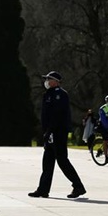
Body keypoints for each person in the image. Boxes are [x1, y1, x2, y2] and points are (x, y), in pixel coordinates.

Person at [29, 71, 87, 199]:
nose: (47, 81)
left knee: (62, 160)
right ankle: (43, 189)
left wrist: (50, 130)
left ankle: (78, 186)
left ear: (55, 81)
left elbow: (57, 115)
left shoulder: (60, 95)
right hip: (50, 132)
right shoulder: (48, 94)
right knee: (47, 161)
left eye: (49, 79)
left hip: (58, 132)